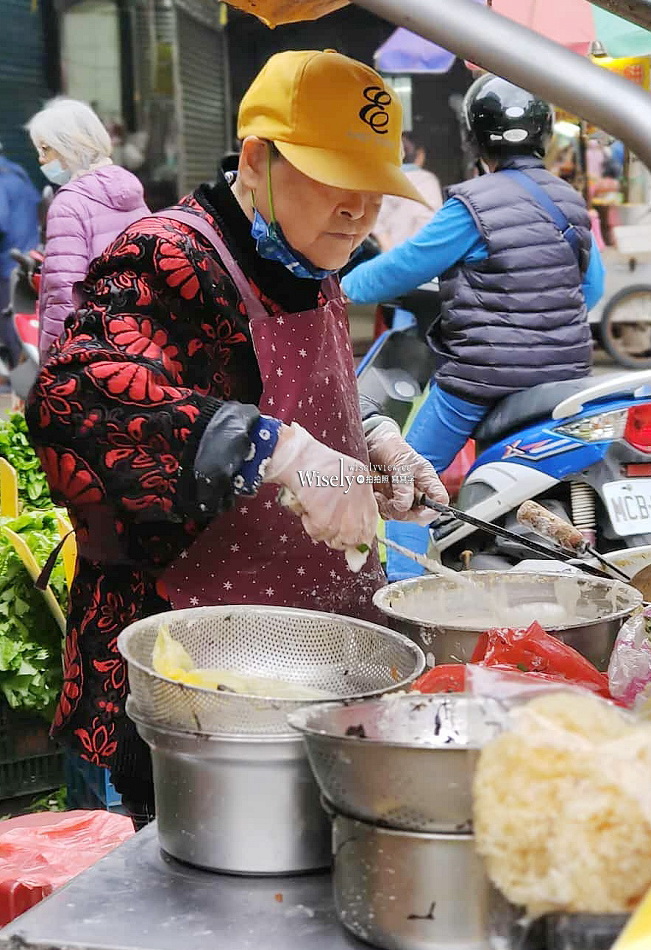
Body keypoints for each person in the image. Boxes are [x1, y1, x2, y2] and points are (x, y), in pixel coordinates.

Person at [25, 50, 448, 825]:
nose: (357, 210)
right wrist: (278, 452)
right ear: (257, 158)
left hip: (324, 658)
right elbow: (72, 403)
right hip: (200, 686)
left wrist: (368, 445)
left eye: (370, 186)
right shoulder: (167, 256)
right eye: (331, 176)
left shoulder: (306, 257)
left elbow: (279, 394)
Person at [342, 74, 605, 582]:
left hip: (482, 380)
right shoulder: (570, 202)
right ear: (544, 134)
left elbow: (402, 268)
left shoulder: (472, 206)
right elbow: (590, 292)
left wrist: (336, 288)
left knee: (407, 475)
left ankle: (403, 585)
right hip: (566, 378)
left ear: (474, 138)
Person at [26, 98, 150, 362]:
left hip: (88, 350)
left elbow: (64, 292)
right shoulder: (130, 190)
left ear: (69, 146)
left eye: (45, 149)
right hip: (137, 337)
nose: (41, 159)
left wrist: (57, 360)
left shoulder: (68, 203)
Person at [373, 134, 443, 251]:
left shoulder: (382, 179)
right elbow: (429, 219)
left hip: (389, 255)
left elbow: (377, 221)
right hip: (420, 254)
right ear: (420, 155)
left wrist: (389, 253)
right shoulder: (426, 179)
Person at [0, 141, 40, 314]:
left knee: (11, 325)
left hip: (9, 264)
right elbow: (38, 204)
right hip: (30, 258)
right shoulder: (17, 171)